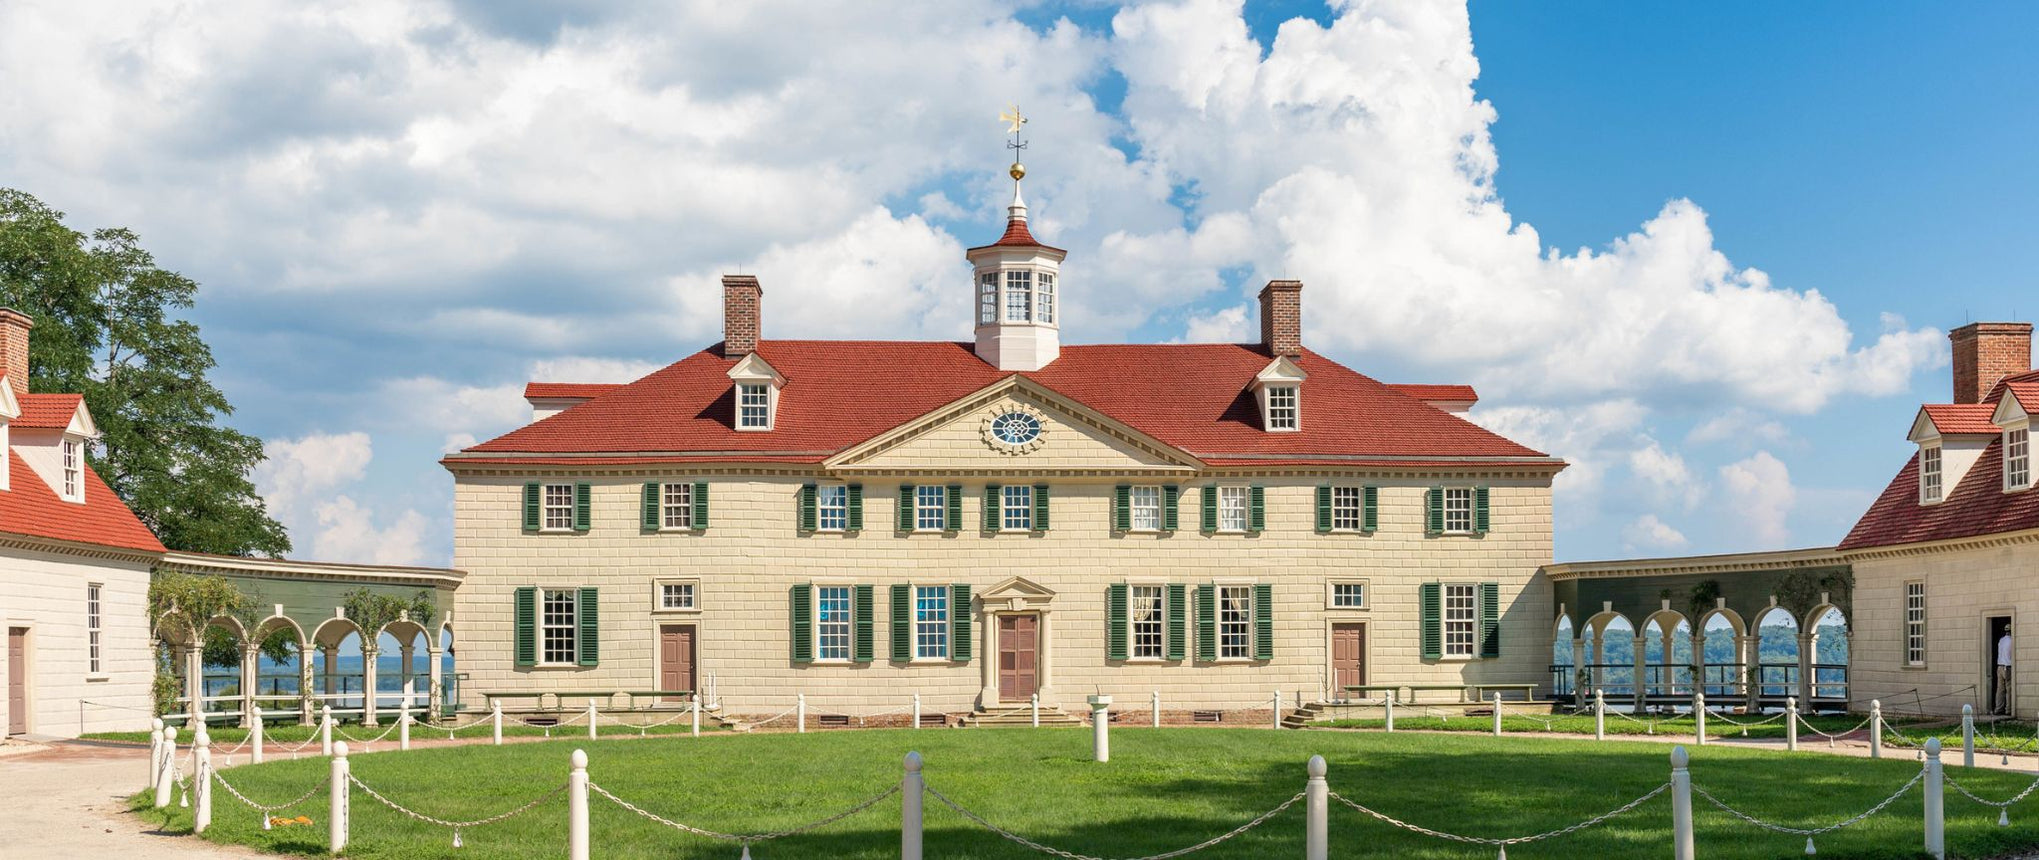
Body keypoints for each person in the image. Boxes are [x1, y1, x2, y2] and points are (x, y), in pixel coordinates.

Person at [1998, 624, 2014, 716]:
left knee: (2000, 689)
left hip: (1999, 666)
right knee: (2009, 689)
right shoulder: (2012, 641)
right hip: (2007, 667)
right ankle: (2008, 710)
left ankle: (1998, 708)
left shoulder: (2001, 640)